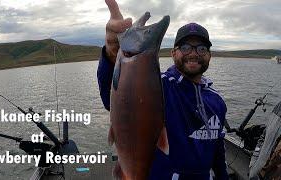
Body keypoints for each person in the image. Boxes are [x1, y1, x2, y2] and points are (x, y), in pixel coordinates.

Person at [97, 0, 229, 179]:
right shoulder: (159, 85)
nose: (193, 53)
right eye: (185, 47)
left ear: (209, 55)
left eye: (201, 48)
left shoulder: (217, 102)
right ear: (173, 53)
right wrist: (112, 52)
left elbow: (218, 155)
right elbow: (111, 97)